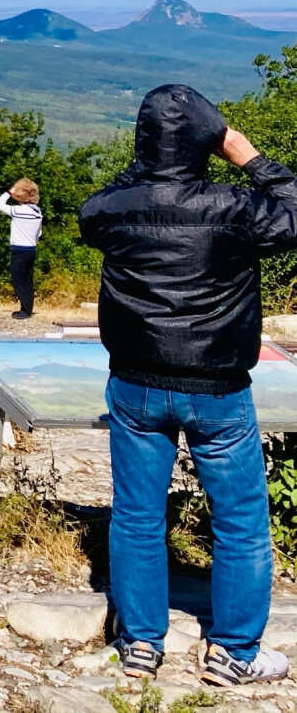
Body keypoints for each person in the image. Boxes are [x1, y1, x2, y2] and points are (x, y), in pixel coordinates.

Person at [80, 84, 297, 687]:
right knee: (240, 523)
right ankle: (234, 652)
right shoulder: (236, 209)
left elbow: (96, 207)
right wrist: (248, 157)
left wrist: (148, 164)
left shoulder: (112, 210)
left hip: (135, 385)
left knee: (136, 517)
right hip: (218, 388)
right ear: (209, 141)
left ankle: (140, 643)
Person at [0, 177, 43, 319]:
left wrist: (9, 192)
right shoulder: (37, 212)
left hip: (19, 249)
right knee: (27, 280)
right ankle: (27, 308)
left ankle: (25, 311)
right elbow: (39, 233)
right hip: (31, 249)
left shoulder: (19, 211)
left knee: (19, 281)